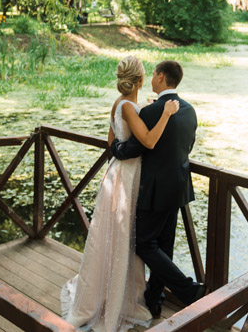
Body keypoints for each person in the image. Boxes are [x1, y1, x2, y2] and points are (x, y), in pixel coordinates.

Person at [61, 56, 181, 332]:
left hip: (117, 172)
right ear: (140, 80)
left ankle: (112, 288)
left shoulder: (121, 104)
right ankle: (117, 297)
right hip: (127, 177)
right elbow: (149, 141)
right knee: (125, 234)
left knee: (115, 235)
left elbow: (111, 143)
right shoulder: (130, 107)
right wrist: (165, 113)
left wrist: (145, 115)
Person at [109, 60, 205, 319]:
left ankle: (188, 290)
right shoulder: (190, 110)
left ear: (161, 77)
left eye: (153, 74)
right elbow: (188, 145)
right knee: (165, 244)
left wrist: (114, 150)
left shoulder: (150, 113)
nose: (151, 78)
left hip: (152, 190)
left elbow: (134, 148)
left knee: (143, 243)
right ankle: (154, 299)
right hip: (179, 188)